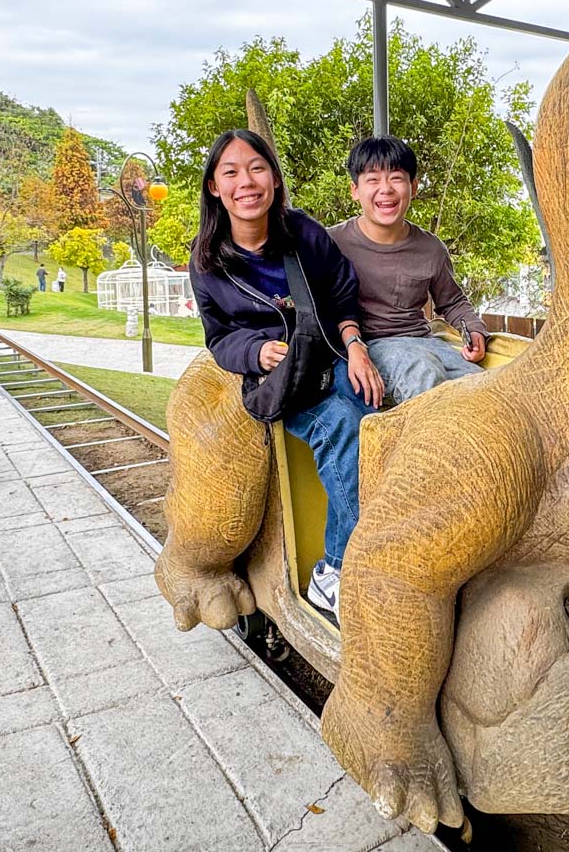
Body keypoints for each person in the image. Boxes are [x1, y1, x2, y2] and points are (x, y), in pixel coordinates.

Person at [190, 128, 382, 620]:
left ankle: (382, 547)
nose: (246, 182)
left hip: (331, 356)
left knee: (380, 414)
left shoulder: (303, 233)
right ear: (215, 187)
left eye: (256, 168)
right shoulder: (208, 260)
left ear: (273, 179)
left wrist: (356, 346)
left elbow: (342, 292)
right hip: (281, 380)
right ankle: (333, 572)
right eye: (230, 172)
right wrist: (256, 351)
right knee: (340, 425)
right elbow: (219, 336)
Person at [327, 136, 489, 404]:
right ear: (355, 190)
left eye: (396, 178)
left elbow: (453, 301)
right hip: (370, 346)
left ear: (413, 186)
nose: (386, 189)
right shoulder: (331, 243)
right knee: (422, 372)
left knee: (482, 388)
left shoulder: (430, 248)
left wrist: (474, 330)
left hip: (424, 341)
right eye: (373, 180)